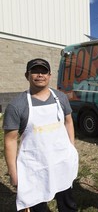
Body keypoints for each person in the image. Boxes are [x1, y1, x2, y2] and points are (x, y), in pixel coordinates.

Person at [3, 58, 79, 212]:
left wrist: (72, 149)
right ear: (27, 75)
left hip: (61, 161)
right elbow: (10, 141)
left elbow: (68, 122)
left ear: (49, 75)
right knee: (38, 205)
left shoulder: (61, 98)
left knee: (67, 202)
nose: (40, 75)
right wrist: (13, 172)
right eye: (35, 71)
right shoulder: (17, 105)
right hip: (35, 166)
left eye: (44, 71)